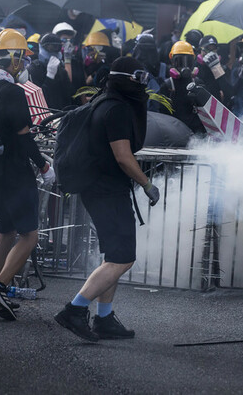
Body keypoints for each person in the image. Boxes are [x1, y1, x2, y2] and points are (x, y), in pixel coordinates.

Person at [54, 57, 160, 342]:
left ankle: (104, 318)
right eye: (139, 75)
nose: (143, 82)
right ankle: (75, 310)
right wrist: (147, 184)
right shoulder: (116, 109)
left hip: (101, 188)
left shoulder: (106, 100)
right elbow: (123, 157)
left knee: (114, 256)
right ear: (126, 78)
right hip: (106, 190)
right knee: (123, 258)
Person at [0, 29, 55, 320]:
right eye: (21, 59)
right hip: (15, 174)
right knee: (29, 235)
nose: (23, 65)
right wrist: (44, 165)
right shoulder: (13, 92)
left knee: (6, 232)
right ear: (13, 59)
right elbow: (23, 138)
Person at [158, 41, 206, 134]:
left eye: (188, 61)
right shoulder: (167, 86)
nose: (185, 66)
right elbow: (162, 115)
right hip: (174, 133)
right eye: (180, 61)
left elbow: (207, 112)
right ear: (172, 62)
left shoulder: (198, 83)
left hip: (197, 135)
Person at [27, 33, 74, 110]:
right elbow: (37, 99)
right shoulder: (34, 68)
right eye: (50, 47)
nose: (53, 50)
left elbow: (69, 94)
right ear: (42, 47)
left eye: (57, 47)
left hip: (60, 113)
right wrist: (49, 77)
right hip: (44, 114)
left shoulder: (61, 69)